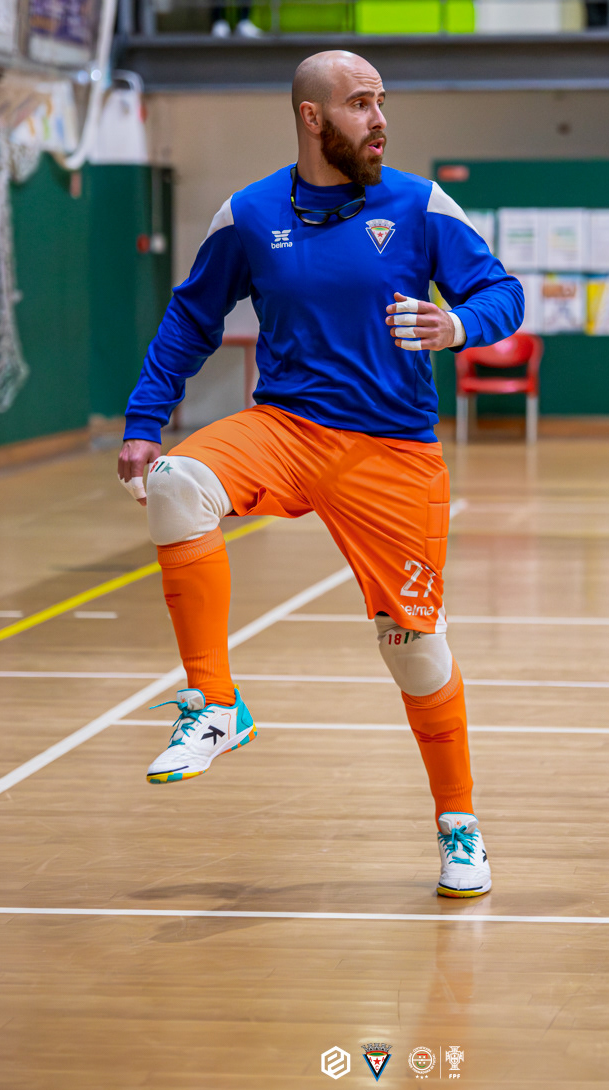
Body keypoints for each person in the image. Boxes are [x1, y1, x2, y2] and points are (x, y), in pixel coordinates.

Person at [117, 50, 524, 898]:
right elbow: (190, 319)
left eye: (382, 102)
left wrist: (456, 327)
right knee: (179, 484)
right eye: (361, 103)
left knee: (414, 651)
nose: (380, 120)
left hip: (393, 452)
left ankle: (459, 823)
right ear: (313, 118)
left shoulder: (420, 205)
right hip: (286, 428)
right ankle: (215, 705)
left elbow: (502, 292)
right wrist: (145, 422)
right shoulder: (250, 213)